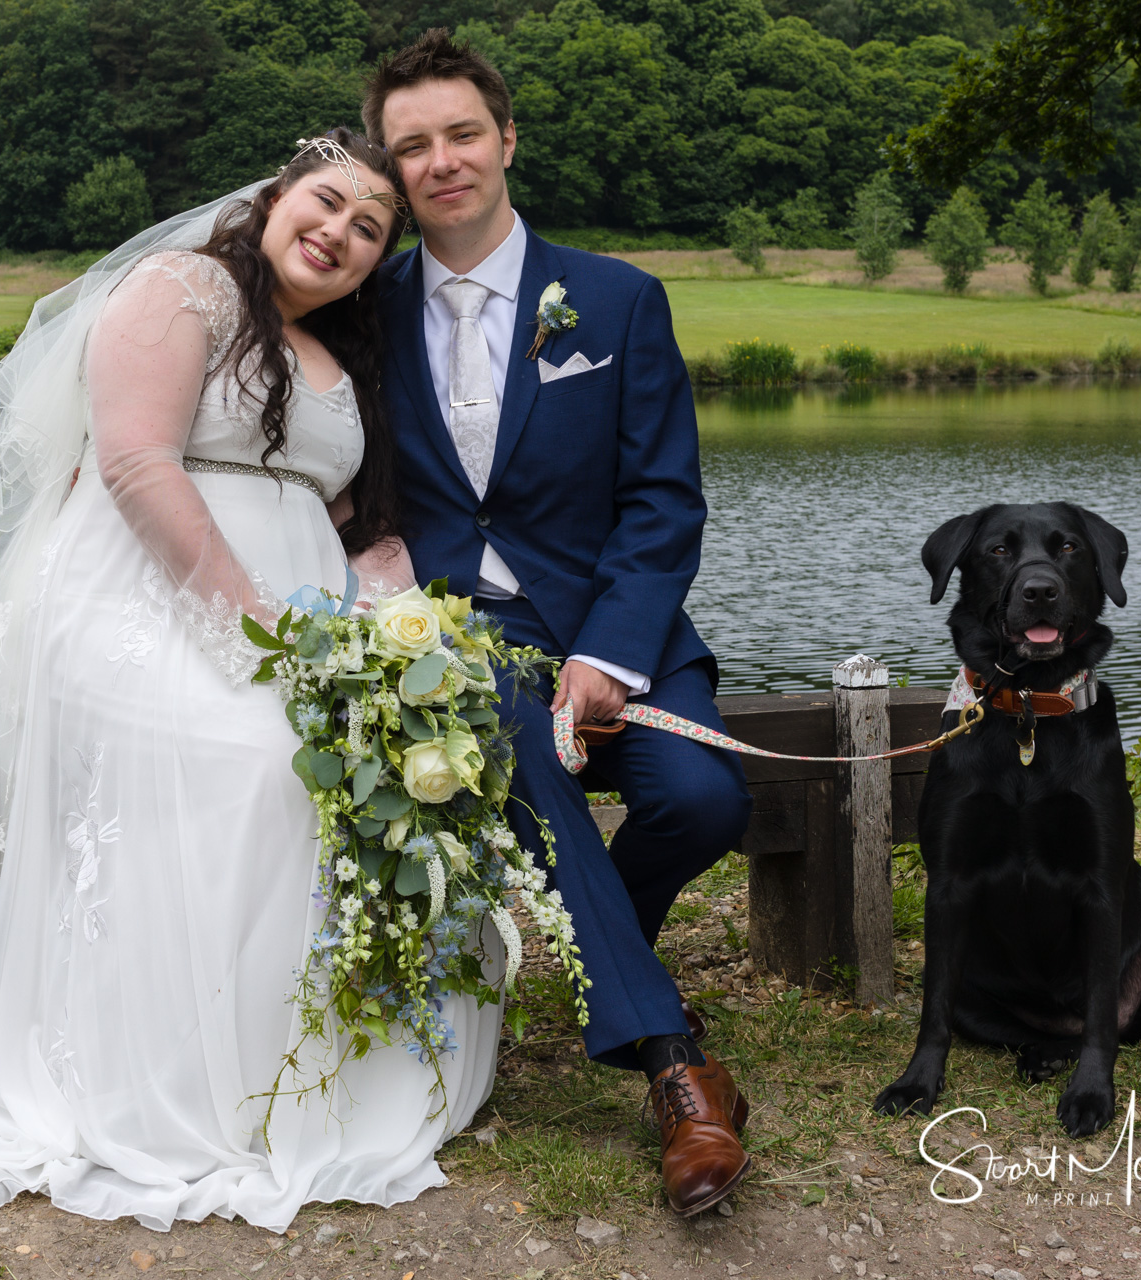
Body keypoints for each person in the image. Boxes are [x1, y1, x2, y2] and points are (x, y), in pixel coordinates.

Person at [0, 130, 502, 1232]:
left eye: (370, 230)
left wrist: (409, 632)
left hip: (299, 614)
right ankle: (182, 1078)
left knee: (368, 767)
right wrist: (261, 633)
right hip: (145, 600)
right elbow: (133, 462)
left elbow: (351, 520)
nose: (341, 234)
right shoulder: (182, 288)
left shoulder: (328, 351)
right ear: (276, 199)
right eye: (327, 204)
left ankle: (317, 1061)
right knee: (260, 758)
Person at [365, 31, 758, 1217]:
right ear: (394, 171)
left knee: (705, 800)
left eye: (462, 133)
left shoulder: (619, 299)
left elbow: (663, 497)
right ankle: (673, 1066)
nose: (443, 161)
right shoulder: (364, 308)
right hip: (451, 644)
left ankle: (596, 949)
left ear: (507, 137)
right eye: (413, 146)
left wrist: (607, 653)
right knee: (525, 747)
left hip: (612, 627)